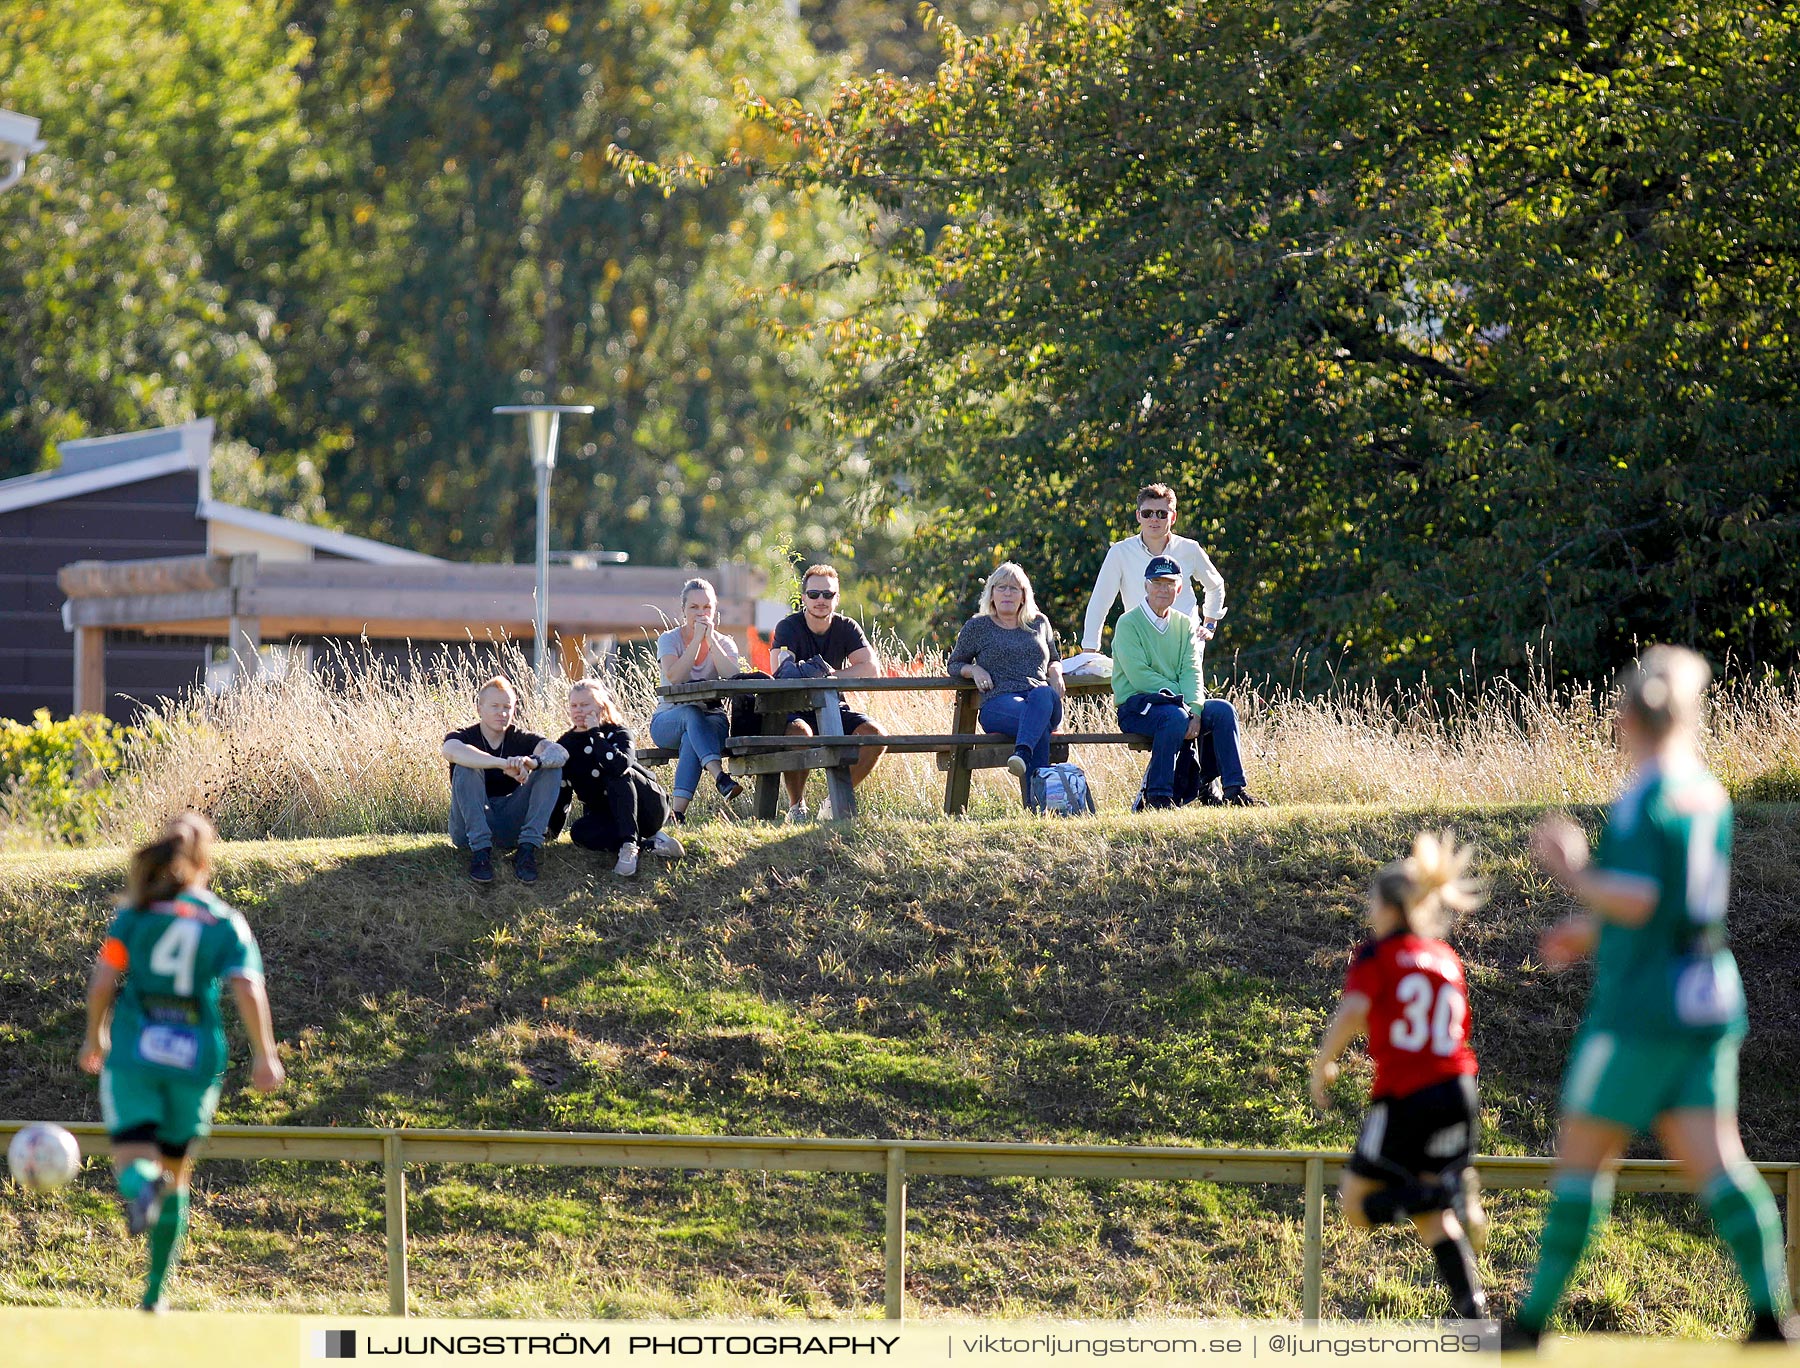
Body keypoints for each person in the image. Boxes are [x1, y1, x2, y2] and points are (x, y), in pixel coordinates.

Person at [1505, 646, 1794, 1349]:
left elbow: (1639, 897)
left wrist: (1574, 875)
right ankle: (1770, 1315)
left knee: (1581, 1155)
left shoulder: (1647, 797)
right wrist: (1588, 930)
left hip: (1643, 1006)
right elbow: (1669, 909)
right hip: (1706, 990)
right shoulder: (1707, 790)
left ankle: (1532, 1323)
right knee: (1718, 1159)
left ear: (1629, 719)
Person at [76, 811, 284, 1313]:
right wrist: (265, 1055)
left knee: (132, 1158)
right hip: (194, 1059)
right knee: (178, 1172)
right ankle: (155, 1294)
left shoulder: (136, 915)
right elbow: (248, 987)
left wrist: (95, 1036)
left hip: (135, 1055)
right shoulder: (224, 921)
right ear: (204, 861)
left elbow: (105, 979)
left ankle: (140, 1187)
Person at [1310, 830, 1490, 1322]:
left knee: (1355, 1205)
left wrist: (1323, 1063)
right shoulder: (1446, 959)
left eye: (1373, 902)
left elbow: (1354, 1010)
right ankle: (1474, 1316)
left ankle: (1445, 1191)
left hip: (1407, 1094)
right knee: (1433, 1223)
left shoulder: (1378, 953)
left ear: (1390, 907)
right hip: (1458, 1088)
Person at [1111, 555, 1262, 808]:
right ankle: (1158, 796)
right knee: (1174, 717)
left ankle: (1234, 790)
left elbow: (1191, 671)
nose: (1163, 589)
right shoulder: (1128, 624)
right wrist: (1185, 705)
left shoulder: (1184, 625)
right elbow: (1140, 676)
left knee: (1223, 710)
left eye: (1169, 584)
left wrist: (1196, 709)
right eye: (1157, 583)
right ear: (1146, 585)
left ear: (1178, 589)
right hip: (1137, 707)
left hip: (1179, 706)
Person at [769, 564, 888, 822]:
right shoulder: (788, 627)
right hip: (794, 708)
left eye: (828, 594)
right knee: (799, 734)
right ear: (803, 598)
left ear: (837, 598)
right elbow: (781, 672)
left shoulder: (847, 627)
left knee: (875, 737)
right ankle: (796, 807)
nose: (820, 600)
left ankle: (833, 803)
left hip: (833, 706)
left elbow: (871, 669)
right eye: (814, 594)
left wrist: (829, 676)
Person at [946, 563, 1068, 802]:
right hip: (999, 704)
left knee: (1042, 697)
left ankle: (1022, 754)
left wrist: (1056, 673)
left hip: (1043, 700)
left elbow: (1054, 659)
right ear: (991, 593)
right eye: (1001, 587)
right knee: (1037, 724)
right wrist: (974, 669)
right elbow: (954, 665)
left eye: (1014, 588)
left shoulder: (1039, 623)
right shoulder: (977, 627)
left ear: (1024, 595)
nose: (1007, 593)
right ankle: (1040, 805)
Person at [549, 678, 684, 878]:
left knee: (615, 773)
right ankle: (651, 843)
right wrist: (552, 830)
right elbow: (563, 788)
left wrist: (595, 733)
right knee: (579, 832)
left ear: (600, 705)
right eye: (574, 706)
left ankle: (630, 845)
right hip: (608, 817)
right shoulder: (566, 743)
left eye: (585, 705)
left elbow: (619, 765)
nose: (579, 710)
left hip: (647, 808)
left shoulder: (618, 732)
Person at [441, 676, 567, 884]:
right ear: (480, 708)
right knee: (467, 766)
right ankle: (480, 853)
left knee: (551, 768)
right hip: (468, 830)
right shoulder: (462, 736)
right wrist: (502, 764)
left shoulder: (521, 738)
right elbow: (451, 751)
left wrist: (532, 762)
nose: (502, 713)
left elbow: (560, 753)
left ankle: (527, 850)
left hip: (509, 824)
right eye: (495, 706)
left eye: (508, 707)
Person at [1081, 482, 1226, 659]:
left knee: (1186, 687)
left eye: (1162, 514)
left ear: (1173, 517)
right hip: (1140, 644)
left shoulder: (1189, 549)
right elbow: (1100, 602)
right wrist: (1089, 651)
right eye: (1147, 513)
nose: (1154, 519)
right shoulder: (1120, 552)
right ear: (1138, 516)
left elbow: (1215, 585)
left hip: (1186, 644)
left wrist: (1209, 624)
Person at [648, 577, 745, 823]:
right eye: (694, 608)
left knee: (694, 731)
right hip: (669, 720)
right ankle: (719, 776)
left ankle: (677, 814)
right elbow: (674, 677)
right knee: (691, 715)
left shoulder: (725, 643)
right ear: (683, 611)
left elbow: (733, 676)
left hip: (712, 721)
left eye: (706, 608)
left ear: (714, 611)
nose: (701, 613)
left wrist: (710, 641)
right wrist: (694, 643)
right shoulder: (669, 640)